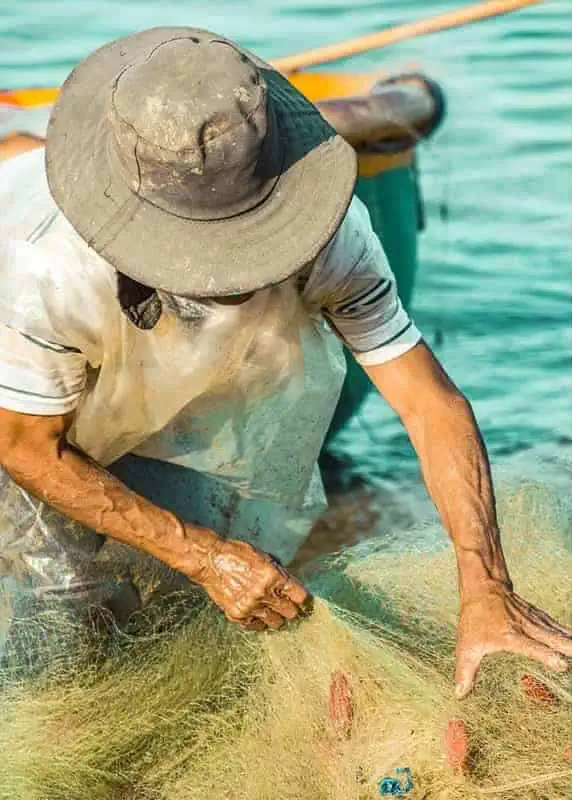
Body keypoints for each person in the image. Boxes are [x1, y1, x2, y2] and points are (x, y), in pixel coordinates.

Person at [0, 27, 569, 697]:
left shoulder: (333, 236)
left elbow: (429, 404)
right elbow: (25, 446)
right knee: (57, 617)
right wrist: (201, 555)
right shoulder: (45, 265)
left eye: (253, 243)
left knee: (182, 607)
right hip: (22, 415)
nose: (238, 272)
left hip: (138, 408)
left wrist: (487, 586)